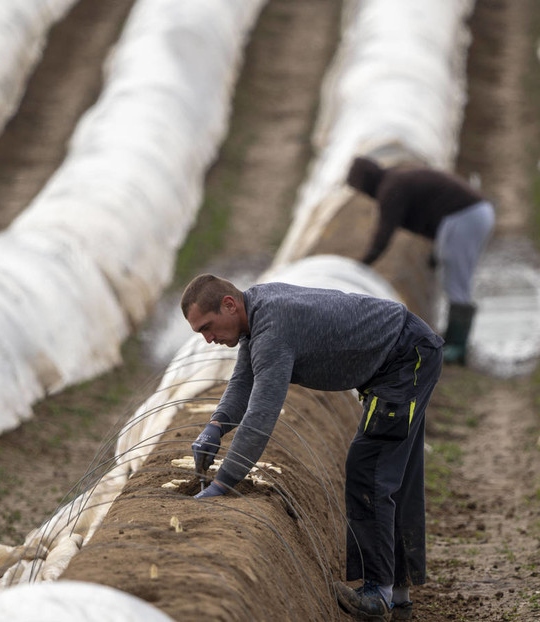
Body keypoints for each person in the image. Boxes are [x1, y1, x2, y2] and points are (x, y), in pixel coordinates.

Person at [181, 273, 444, 621]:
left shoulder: (272, 330)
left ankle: (378, 595)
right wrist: (214, 427)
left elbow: (261, 416)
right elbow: (243, 382)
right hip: (404, 353)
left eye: (207, 327)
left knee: (370, 470)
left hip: (405, 361)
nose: (208, 339)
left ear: (229, 305)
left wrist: (222, 483)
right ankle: (397, 595)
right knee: (394, 474)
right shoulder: (257, 311)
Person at [346, 156, 495, 366]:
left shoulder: (390, 188)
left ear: (365, 182)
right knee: (454, 279)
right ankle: (452, 341)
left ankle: (457, 348)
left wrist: (361, 266)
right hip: (471, 215)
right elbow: (433, 210)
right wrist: (437, 251)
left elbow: (384, 234)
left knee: (457, 283)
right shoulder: (395, 178)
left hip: (465, 218)